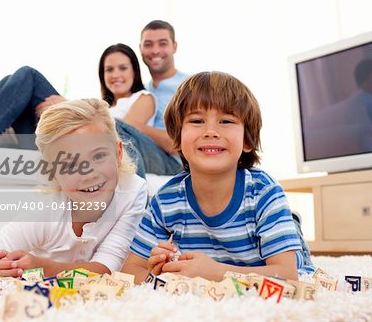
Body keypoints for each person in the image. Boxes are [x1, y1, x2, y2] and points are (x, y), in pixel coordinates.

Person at [121, 71, 315, 284]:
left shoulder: (264, 192)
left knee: (299, 260)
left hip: (268, 257)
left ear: (247, 140)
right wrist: (159, 273)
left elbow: (288, 276)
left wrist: (215, 272)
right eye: (196, 120)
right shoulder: (166, 199)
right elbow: (131, 270)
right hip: (212, 262)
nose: (211, 131)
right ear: (176, 139)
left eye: (226, 120)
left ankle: (290, 223)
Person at [0, 98, 148, 278]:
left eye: (98, 156)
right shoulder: (44, 212)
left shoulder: (133, 191)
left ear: (118, 153)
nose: (89, 173)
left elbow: (106, 269)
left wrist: (43, 267)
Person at [0, 43, 155, 177]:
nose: (115, 75)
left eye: (122, 68)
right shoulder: (107, 105)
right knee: (12, 84)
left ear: (135, 71)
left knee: (28, 76)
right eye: (109, 69)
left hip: (83, 150)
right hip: (51, 147)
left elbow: (120, 132)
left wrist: (70, 105)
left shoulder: (143, 98)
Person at [114, 20, 189, 175]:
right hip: (145, 154)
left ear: (174, 47)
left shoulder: (188, 86)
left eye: (162, 43)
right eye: (148, 44)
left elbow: (180, 144)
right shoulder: (142, 92)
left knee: (115, 126)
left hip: (175, 163)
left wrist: (135, 126)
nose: (155, 51)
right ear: (140, 49)